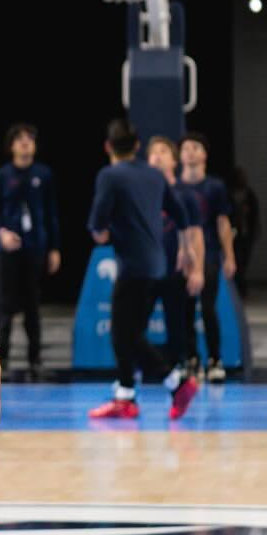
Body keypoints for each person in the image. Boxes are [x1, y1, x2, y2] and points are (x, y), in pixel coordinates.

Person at [87, 119, 192, 422]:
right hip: (157, 264)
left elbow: (98, 224)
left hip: (132, 264)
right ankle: (126, 394)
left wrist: (100, 232)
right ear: (137, 146)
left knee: (125, 333)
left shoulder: (110, 175)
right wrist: (186, 250)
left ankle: (176, 382)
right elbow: (181, 215)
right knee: (128, 331)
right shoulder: (155, 175)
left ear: (108, 147)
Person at [0, 123, 61, 380]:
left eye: (30, 139)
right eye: (20, 139)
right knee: (5, 306)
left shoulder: (44, 175)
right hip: (9, 248)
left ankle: (35, 361)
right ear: (11, 146)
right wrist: (2, 233)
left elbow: (51, 213)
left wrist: (54, 248)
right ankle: (2, 360)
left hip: (35, 246)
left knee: (32, 305)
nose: (26, 143)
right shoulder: (2, 175)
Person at [146, 135, 205, 416]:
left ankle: (180, 371)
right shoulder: (143, 193)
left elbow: (195, 234)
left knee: (177, 324)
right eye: (153, 152)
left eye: (163, 151)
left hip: (175, 269)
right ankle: (144, 375)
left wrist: (197, 269)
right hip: (147, 270)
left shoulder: (185, 194)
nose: (157, 156)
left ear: (173, 159)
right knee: (133, 326)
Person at [178, 134, 236, 382]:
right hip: (181, 257)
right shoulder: (174, 187)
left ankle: (214, 360)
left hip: (209, 254)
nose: (190, 152)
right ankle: (191, 359)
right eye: (186, 148)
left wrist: (229, 256)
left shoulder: (214, 187)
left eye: (196, 147)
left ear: (204, 154)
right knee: (184, 309)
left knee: (208, 307)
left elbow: (223, 222)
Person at [228, 166, 260, 297]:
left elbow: (255, 213)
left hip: (247, 231)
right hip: (234, 232)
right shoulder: (229, 193)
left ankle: (241, 285)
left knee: (245, 259)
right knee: (238, 261)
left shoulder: (249, 194)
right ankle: (240, 288)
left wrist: (256, 229)